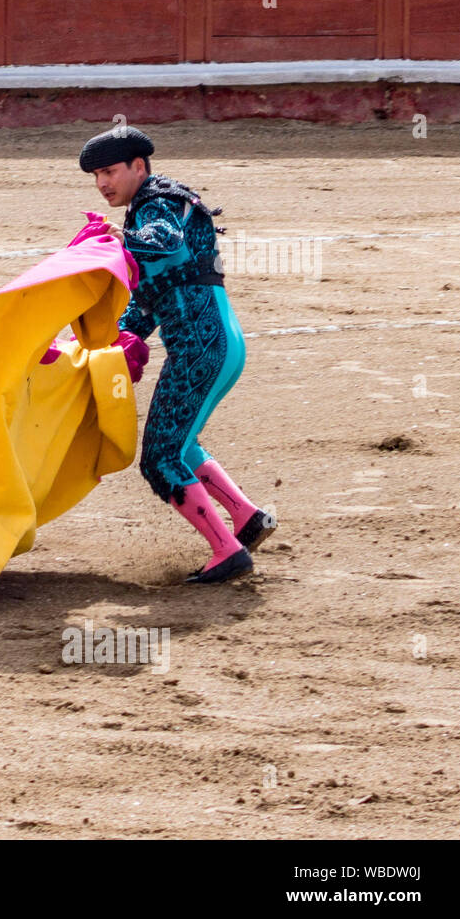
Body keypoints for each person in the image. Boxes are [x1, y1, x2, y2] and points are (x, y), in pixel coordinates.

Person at [81, 125, 276, 583]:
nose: (102, 183)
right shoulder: (159, 204)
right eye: (95, 176)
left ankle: (226, 551)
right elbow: (152, 296)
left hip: (199, 349)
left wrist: (114, 240)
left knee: (160, 458)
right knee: (181, 446)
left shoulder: (158, 204)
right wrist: (121, 337)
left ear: (139, 167)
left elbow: (164, 240)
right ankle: (246, 518)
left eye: (109, 171)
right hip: (219, 345)